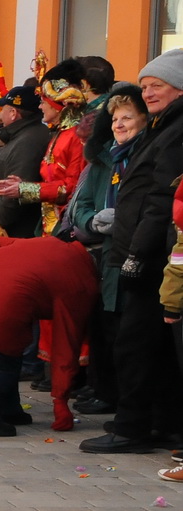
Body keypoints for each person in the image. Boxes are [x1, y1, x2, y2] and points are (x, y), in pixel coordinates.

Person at [80, 51, 183, 454]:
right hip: (139, 249)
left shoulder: (175, 131)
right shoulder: (163, 126)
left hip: (153, 256)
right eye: (144, 87)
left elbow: (161, 200)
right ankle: (159, 422)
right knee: (151, 346)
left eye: (156, 85)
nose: (148, 92)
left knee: (135, 344)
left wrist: (137, 254)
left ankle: (132, 428)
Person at [0, 227, 98, 436]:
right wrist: (60, 401)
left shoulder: (52, 243)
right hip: (2, 298)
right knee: (2, 364)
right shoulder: (82, 283)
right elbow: (66, 344)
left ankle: (9, 410)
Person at [68, 84, 147, 418]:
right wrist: (92, 221)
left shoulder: (143, 158)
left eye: (127, 117)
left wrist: (125, 219)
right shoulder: (104, 159)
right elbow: (82, 204)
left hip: (132, 254)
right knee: (102, 326)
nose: (119, 124)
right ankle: (105, 391)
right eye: (115, 118)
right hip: (102, 254)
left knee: (126, 332)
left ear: (144, 120)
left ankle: (124, 400)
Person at [0, 64, 89, 236]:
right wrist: (22, 185)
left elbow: (71, 188)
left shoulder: (75, 137)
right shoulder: (59, 134)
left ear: (56, 105)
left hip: (65, 227)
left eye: (43, 102)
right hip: (49, 226)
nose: (40, 107)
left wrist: (26, 190)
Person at [0, 84, 50, 238]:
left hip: (11, 234)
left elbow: (13, 193)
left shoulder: (27, 141)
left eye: (3, 109)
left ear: (13, 113)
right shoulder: (25, 136)